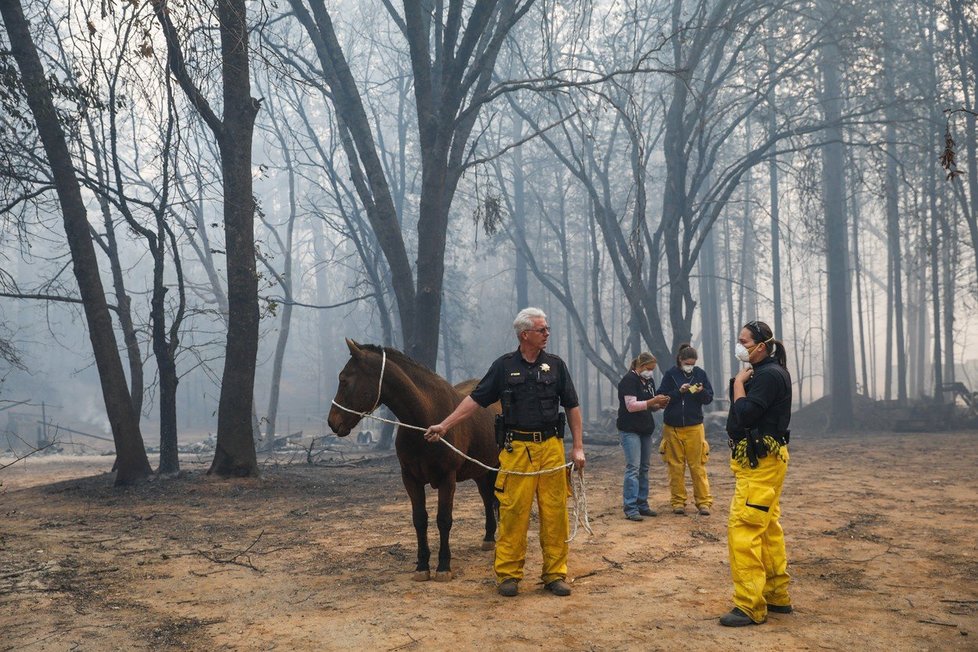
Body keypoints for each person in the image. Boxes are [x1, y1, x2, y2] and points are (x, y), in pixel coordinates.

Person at [424, 307, 585, 598]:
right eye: (542, 329)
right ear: (525, 334)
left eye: (547, 329)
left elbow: (572, 406)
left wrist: (577, 448)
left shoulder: (557, 367)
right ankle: (509, 575)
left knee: (555, 514)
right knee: (513, 513)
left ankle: (554, 574)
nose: (547, 333)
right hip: (515, 450)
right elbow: (474, 400)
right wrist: (445, 425)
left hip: (550, 448)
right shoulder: (503, 367)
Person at [719, 320, 793, 627]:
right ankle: (777, 594)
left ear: (761, 346)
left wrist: (738, 385)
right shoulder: (765, 372)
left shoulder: (768, 376)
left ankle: (749, 605)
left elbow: (746, 413)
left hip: (760, 464)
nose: (740, 346)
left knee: (744, 529)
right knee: (767, 527)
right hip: (762, 461)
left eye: (744, 341)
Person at [656, 344, 715, 516]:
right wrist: (678, 392)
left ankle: (703, 502)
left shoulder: (700, 374)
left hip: (695, 427)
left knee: (697, 466)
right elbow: (661, 399)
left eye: (693, 363)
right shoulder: (670, 375)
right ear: (680, 361)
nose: (690, 366)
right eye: (687, 363)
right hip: (672, 427)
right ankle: (678, 502)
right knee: (675, 466)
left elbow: (708, 398)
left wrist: (700, 391)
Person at [616, 352, 670, 521]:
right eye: (648, 368)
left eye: (652, 369)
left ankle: (642, 504)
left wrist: (659, 404)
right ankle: (630, 507)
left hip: (645, 428)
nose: (650, 372)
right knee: (633, 467)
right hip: (630, 429)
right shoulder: (628, 381)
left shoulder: (648, 381)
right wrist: (652, 401)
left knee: (644, 468)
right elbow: (631, 406)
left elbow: (649, 404)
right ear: (639, 366)